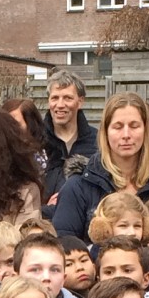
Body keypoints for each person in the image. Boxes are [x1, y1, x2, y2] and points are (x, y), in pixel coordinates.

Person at [52, 92, 149, 239]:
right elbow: (64, 244)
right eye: (118, 127)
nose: (126, 135)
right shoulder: (78, 187)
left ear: (146, 131)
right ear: (105, 132)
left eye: (134, 126)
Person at [40, 73, 101, 204]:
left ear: (80, 102)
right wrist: (44, 207)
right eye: (55, 98)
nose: (60, 105)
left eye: (67, 98)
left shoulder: (98, 142)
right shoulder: (35, 142)